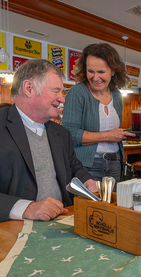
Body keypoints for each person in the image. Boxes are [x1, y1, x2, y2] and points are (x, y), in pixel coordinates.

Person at [0, 59, 96, 223]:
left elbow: (75, 168)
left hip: (62, 220)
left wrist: (87, 180)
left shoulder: (61, 133)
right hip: (13, 229)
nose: (62, 99)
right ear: (29, 89)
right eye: (56, 91)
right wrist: (27, 208)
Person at [62, 43, 135, 182]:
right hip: (86, 166)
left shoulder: (117, 95)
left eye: (101, 72)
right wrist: (107, 136)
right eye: (91, 71)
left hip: (115, 163)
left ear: (113, 71)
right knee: (89, 204)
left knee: (113, 203)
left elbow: (115, 134)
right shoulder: (77, 92)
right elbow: (69, 133)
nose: (95, 78)